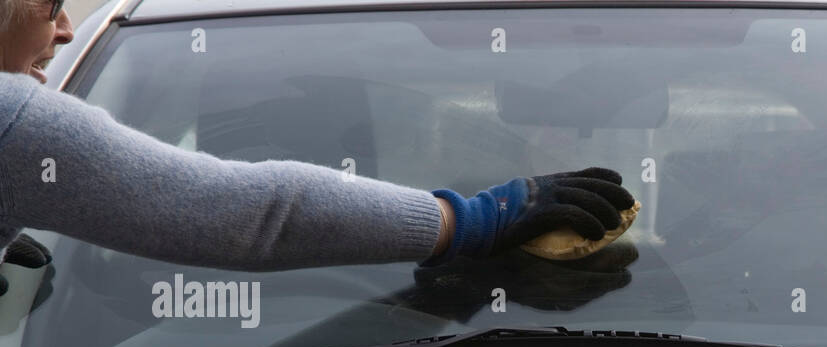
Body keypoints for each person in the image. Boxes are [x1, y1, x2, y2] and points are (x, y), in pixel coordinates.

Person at [0, 0, 634, 273]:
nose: (62, 29)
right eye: (48, 2)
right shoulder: (15, 119)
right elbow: (253, 216)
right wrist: (471, 221)